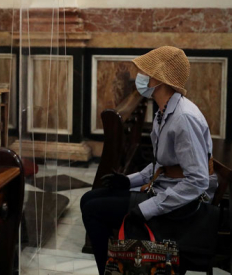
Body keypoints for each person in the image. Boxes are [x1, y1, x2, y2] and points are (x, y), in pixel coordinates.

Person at [81, 46, 218, 275]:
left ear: (160, 80)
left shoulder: (184, 118)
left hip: (183, 205)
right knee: (88, 199)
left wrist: (148, 208)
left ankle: (110, 270)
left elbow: (197, 181)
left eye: (147, 71)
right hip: (167, 189)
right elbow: (162, 165)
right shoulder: (163, 111)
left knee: (94, 210)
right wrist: (128, 181)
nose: (140, 76)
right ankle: (111, 269)